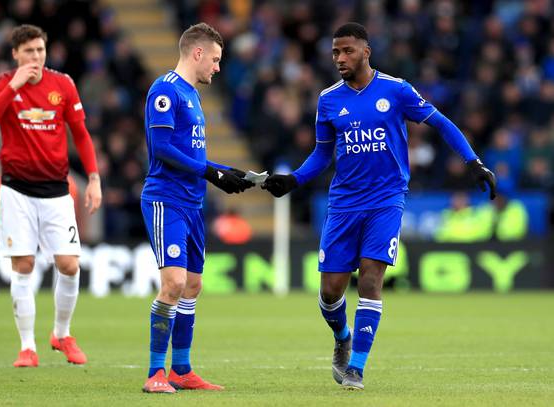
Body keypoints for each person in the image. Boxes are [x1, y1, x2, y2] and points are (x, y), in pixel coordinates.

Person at [262, 23, 496, 390]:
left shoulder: (396, 90)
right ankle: (343, 337)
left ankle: (356, 367)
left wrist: (472, 161)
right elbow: (323, 155)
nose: (340, 58)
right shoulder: (328, 99)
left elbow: (441, 122)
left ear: (366, 51)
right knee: (330, 292)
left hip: (386, 199)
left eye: (348, 51)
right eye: (336, 52)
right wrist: (294, 180)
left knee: (370, 277)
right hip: (343, 203)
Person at [0, 24, 102, 368]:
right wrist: (14, 86)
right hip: (16, 190)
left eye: (40, 50)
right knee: (24, 265)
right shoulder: (3, 84)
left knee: (69, 264)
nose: (36, 57)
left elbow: (81, 134)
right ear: (15, 54)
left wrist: (93, 178)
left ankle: (62, 334)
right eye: (29, 51)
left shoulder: (62, 85)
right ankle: (27, 347)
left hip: (56, 191)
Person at [140, 22, 253, 393]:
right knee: (172, 283)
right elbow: (162, 149)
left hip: (192, 203)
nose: (218, 68)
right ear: (198, 53)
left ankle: (182, 370)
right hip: (165, 200)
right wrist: (212, 172)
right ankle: (156, 373)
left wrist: (223, 173)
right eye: (216, 60)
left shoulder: (192, 95)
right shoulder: (165, 90)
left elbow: (192, 154)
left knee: (192, 284)